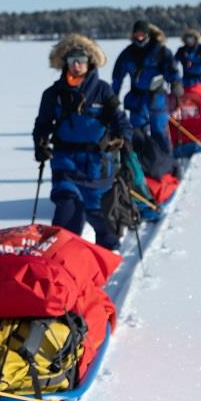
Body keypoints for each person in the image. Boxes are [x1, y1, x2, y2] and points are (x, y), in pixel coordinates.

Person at [33, 34, 133, 250]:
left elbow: (121, 122)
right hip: (64, 162)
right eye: (72, 61)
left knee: (103, 221)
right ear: (65, 63)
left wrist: (124, 140)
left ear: (90, 63)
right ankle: (61, 266)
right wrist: (40, 145)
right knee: (67, 214)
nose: (77, 65)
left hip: (97, 165)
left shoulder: (104, 91)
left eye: (81, 60)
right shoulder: (53, 94)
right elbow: (42, 125)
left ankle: (106, 264)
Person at [111, 20, 181, 179]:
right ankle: (140, 167)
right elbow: (117, 77)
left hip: (157, 98)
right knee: (136, 134)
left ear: (148, 35)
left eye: (142, 34)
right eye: (137, 34)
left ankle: (169, 166)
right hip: (137, 99)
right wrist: (112, 96)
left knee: (159, 132)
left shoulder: (160, 51)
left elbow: (171, 70)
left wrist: (176, 82)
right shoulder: (127, 54)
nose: (139, 37)